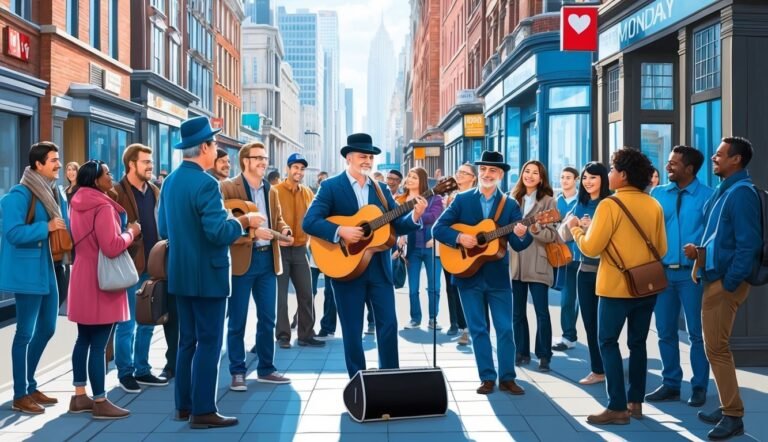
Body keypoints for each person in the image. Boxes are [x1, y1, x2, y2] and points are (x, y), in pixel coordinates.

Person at [158, 116, 262, 428]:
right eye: (214, 143)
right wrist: (244, 221)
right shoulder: (206, 183)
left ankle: (183, 406)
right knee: (209, 343)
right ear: (203, 147)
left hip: (181, 274)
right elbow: (218, 233)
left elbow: (164, 229)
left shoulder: (171, 181)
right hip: (209, 275)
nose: (216, 148)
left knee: (186, 342)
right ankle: (203, 410)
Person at [303, 133, 426, 377]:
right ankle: (357, 381)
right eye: (363, 156)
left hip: (379, 269)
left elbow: (395, 225)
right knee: (352, 329)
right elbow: (309, 222)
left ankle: (390, 378)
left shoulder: (381, 190)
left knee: (389, 325)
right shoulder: (331, 187)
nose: (368, 160)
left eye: (370, 157)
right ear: (349, 157)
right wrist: (341, 231)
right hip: (346, 269)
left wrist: (414, 216)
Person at [567, 147, 667, 425]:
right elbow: (662, 248)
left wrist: (576, 228)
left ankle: (617, 406)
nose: (609, 173)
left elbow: (591, 247)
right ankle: (636, 403)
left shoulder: (610, 205)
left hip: (614, 288)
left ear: (622, 175)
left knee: (608, 342)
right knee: (638, 344)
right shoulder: (653, 203)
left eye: (612, 169)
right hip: (646, 286)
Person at [433, 150, 532, 395]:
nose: (487, 174)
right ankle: (487, 377)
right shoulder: (462, 200)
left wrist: (522, 234)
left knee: (505, 329)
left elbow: (518, 244)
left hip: (498, 278)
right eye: (484, 169)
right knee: (478, 329)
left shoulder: (510, 204)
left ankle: (507, 377)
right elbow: (438, 229)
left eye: (492, 170)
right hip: (467, 276)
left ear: (500, 175)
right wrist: (459, 237)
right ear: (479, 173)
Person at [692, 137, 761, 440]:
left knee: (716, 349)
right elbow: (722, 237)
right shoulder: (726, 191)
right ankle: (725, 403)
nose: (714, 157)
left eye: (720, 154)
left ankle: (733, 416)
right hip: (714, 277)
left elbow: (749, 244)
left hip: (724, 282)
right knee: (716, 348)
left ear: (736, 160)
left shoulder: (741, 194)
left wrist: (730, 282)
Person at [68, 160, 141, 419]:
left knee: (83, 340)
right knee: (99, 344)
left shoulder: (75, 202)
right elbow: (111, 246)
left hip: (81, 275)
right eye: (107, 174)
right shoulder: (103, 207)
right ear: (96, 180)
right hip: (102, 279)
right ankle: (100, 401)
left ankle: (79, 396)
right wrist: (131, 232)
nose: (111, 177)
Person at [0, 142, 67, 414]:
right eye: (53, 160)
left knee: (48, 328)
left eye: (58, 159)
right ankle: (19, 394)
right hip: (28, 271)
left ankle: (29, 384)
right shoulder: (18, 195)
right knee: (24, 332)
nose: (58, 164)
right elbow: (13, 234)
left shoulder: (52, 192)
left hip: (49, 267)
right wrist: (46, 227)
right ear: (38, 164)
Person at [221, 141, 293, 389]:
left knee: (267, 319)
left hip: (267, 262)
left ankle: (266, 368)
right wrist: (253, 234)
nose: (264, 161)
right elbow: (225, 228)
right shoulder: (228, 188)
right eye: (258, 157)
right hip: (241, 262)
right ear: (246, 161)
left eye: (265, 157)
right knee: (237, 320)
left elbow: (278, 218)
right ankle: (237, 371)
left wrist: (284, 229)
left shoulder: (270, 191)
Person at [646, 146, 713, 408]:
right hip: (662, 274)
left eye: (674, 163)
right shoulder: (658, 193)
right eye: (669, 161)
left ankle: (699, 387)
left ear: (689, 168)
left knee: (697, 334)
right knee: (664, 331)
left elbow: (712, 235)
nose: (668, 166)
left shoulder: (708, 196)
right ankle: (671, 384)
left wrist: (698, 250)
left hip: (693, 276)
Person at [111, 144, 168, 394]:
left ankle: (143, 369)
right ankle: (125, 373)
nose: (150, 166)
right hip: (129, 265)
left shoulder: (155, 190)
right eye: (145, 161)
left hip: (154, 265)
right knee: (127, 323)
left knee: (147, 320)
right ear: (131, 165)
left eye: (150, 161)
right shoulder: (116, 192)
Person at [558, 162, 611, 385]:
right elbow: (563, 236)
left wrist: (591, 228)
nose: (588, 182)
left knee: (607, 324)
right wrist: (572, 225)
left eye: (594, 178)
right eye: (586, 178)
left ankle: (611, 366)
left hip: (608, 271)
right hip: (585, 270)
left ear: (603, 180)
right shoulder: (580, 204)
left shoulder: (610, 203)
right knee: (589, 322)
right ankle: (598, 370)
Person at [509, 160, 558, 372]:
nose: (529, 176)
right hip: (516, 263)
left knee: (541, 312)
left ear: (541, 177)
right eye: (526, 171)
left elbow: (552, 235)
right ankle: (521, 351)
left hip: (538, 263)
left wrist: (534, 229)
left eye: (535, 173)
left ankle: (544, 354)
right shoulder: (512, 200)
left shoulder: (548, 202)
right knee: (517, 312)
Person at [274, 153, 324, 348]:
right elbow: (270, 219)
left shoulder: (308, 193)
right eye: (295, 167)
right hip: (281, 250)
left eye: (302, 169)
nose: (299, 172)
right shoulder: (274, 191)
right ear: (288, 169)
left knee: (306, 292)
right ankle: (283, 336)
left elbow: (314, 219)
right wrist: (280, 236)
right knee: (282, 296)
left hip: (301, 249)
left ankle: (305, 334)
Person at [398, 167, 444, 330]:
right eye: (409, 176)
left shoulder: (434, 198)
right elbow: (396, 222)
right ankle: (415, 318)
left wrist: (414, 215)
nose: (410, 179)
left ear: (422, 181)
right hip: (412, 249)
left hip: (431, 246)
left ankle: (433, 318)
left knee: (434, 286)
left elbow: (434, 216)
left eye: (415, 177)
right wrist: (401, 234)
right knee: (413, 287)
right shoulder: (400, 200)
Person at [442, 163, 477, 346]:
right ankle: (461, 326)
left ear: (474, 178)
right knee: (452, 288)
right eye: (458, 172)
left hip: (472, 251)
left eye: (465, 173)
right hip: (452, 248)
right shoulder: (450, 197)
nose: (460, 175)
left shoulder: (478, 197)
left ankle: (473, 328)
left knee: (470, 289)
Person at [553, 166, 580, 352]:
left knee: (585, 301)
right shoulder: (556, 202)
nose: (564, 180)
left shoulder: (582, 201)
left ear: (576, 179)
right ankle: (568, 336)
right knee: (567, 298)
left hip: (583, 255)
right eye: (562, 177)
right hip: (563, 256)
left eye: (568, 177)